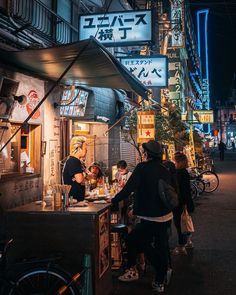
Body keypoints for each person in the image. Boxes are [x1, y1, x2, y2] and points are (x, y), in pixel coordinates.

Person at [111, 140, 173, 293]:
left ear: (146, 154)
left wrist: (113, 200)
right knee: (161, 246)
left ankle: (137, 271)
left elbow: (129, 188)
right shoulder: (164, 169)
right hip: (166, 215)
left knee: (133, 240)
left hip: (150, 217)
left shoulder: (142, 168)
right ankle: (159, 280)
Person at [172, 152, 194, 255]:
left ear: (179, 162)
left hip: (180, 203)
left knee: (179, 224)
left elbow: (182, 190)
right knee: (186, 221)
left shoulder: (179, 173)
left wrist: (184, 203)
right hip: (186, 201)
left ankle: (181, 246)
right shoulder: (184, 172)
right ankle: (188, 242)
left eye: (174, 161)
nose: (173, 162)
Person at [62, 136, 88, 202]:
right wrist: (87, 177)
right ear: (79, 148)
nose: (87, 150)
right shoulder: (73, 161)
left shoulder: (74, 160)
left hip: (76, 199)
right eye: (85, 147)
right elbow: (79, 180)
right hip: (74, 200)